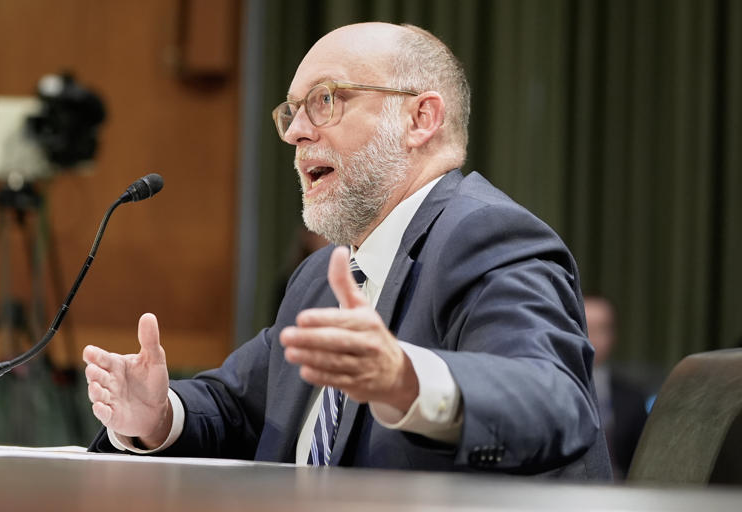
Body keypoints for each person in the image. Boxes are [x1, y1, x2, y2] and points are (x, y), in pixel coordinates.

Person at [84, 22, 612, 478]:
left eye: (325, 100)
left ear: (420, 119)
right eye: (292, 111)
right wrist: (158, 416)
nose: (295, 133)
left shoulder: (486, 235)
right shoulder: (324, 275)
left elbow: (555, 402)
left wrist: (406, 380)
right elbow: (242, 408)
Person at [584, 295, 648, 478]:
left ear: (613, 336)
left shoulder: (633, 398)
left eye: (601, 329)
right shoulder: (551, 391)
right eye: (586, 327)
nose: (592, 337)